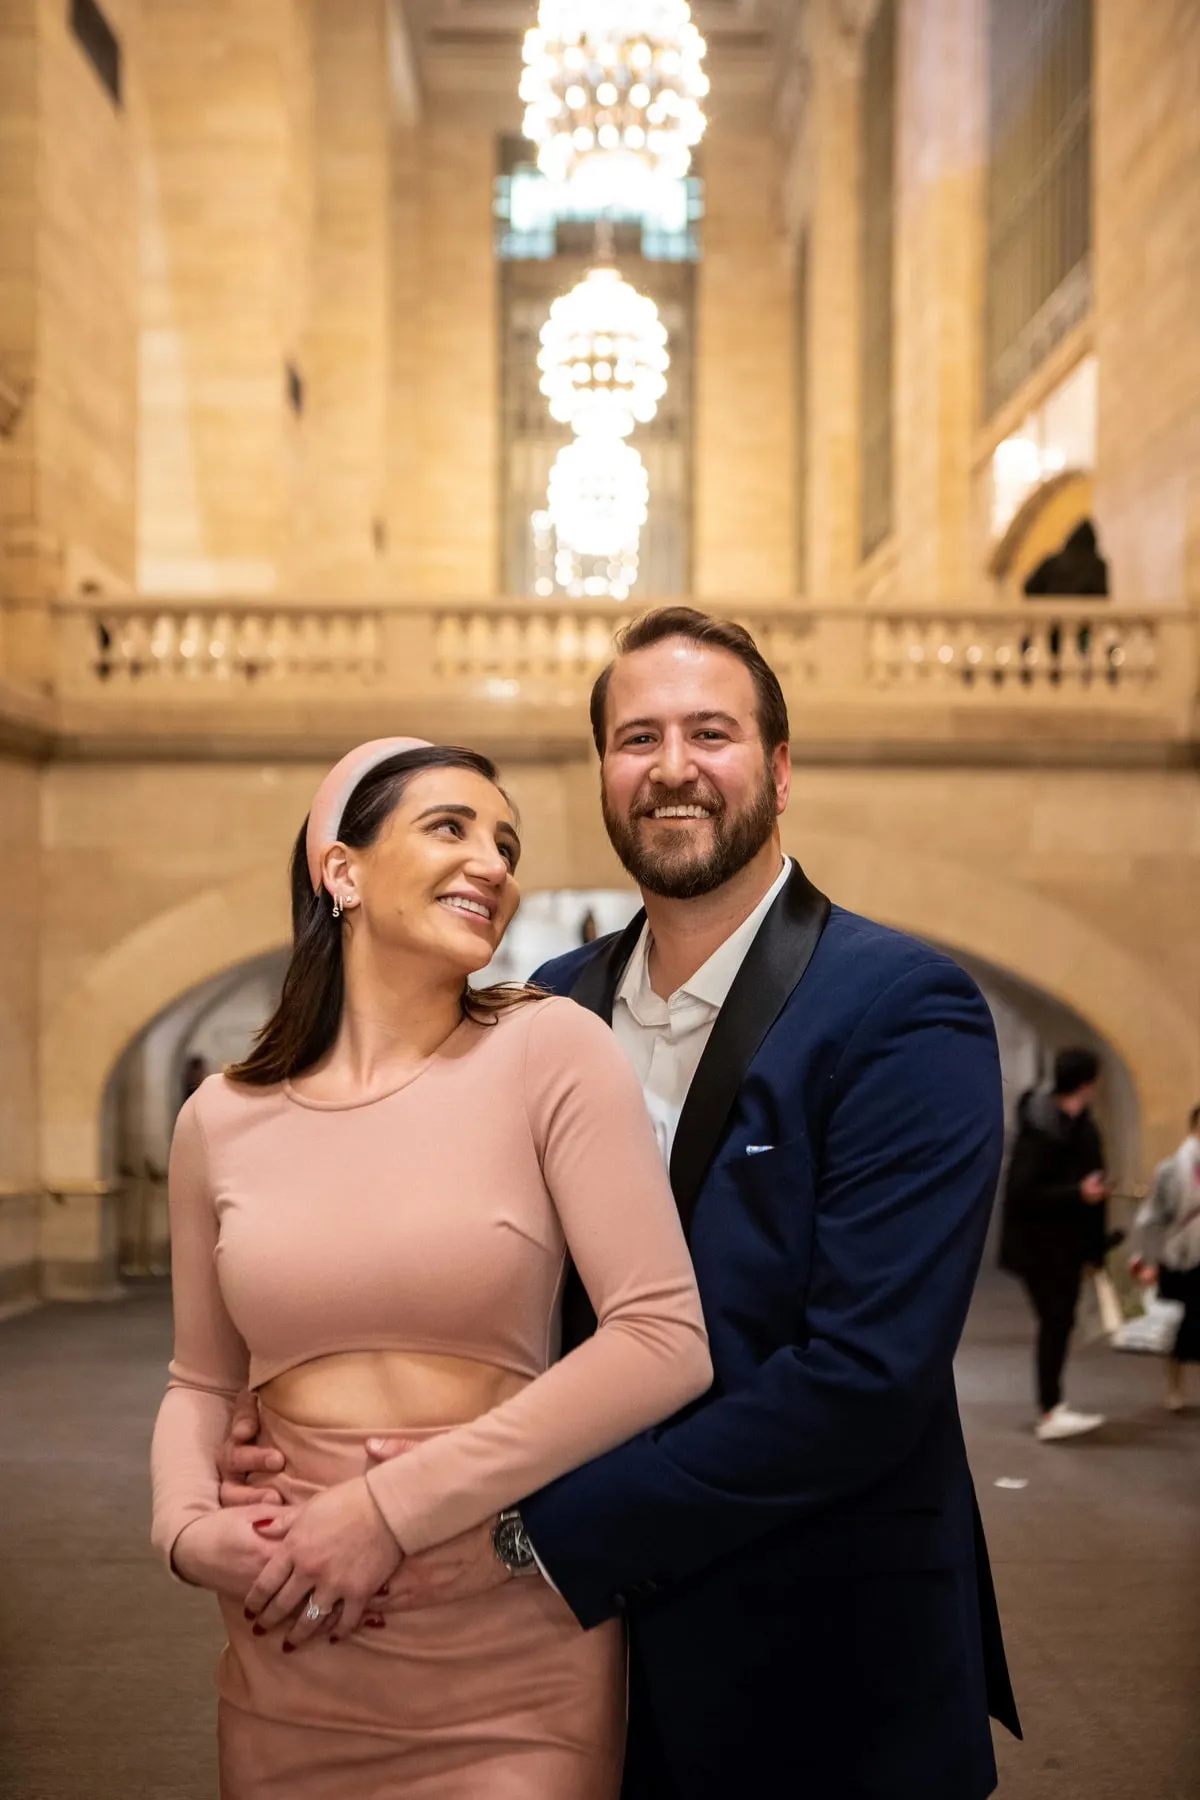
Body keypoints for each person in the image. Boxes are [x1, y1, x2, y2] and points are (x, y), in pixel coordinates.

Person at [223, 607, 1020, 1800]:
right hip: (559, 1668)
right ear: (603, 771)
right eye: (636, 738)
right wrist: (297, 1410)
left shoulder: (903, 1008)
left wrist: (532, 1532)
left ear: (780, 769)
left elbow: (862, 1379)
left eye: (712, 733)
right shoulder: (543, 1005)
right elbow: (467, 1270)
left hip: (815, 1659)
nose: (673, 768)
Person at [150, 736, 711, 1798]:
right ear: (341, 868)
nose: (495, 864)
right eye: (450, 828)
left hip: (501, 1615)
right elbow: (202, 1381)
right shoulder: (218, 1118)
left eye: (506, 842)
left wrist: (387, 1509)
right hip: (292, 1619)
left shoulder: (552, 1050)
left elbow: (662, 1341)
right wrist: (186, 1532)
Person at [1000, 1046, 1111, 1440]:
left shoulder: (1079, 1125)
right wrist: (1077, 1192)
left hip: (1066, 1245)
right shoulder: (1043, 1130)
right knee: (1056, 1323)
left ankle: (1052, 1405)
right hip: (1042, 1248)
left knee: (1059, 1323)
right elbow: (1023, 1191)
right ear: (1085, 1083)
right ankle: (1050, 1410)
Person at [1130, 1104, 1200, 1410]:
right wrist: (1147, 1259)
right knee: (1175, 1323)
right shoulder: (1171, 1169)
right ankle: (1175, 1387)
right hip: (1178, 1254)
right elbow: (1152, 1217)